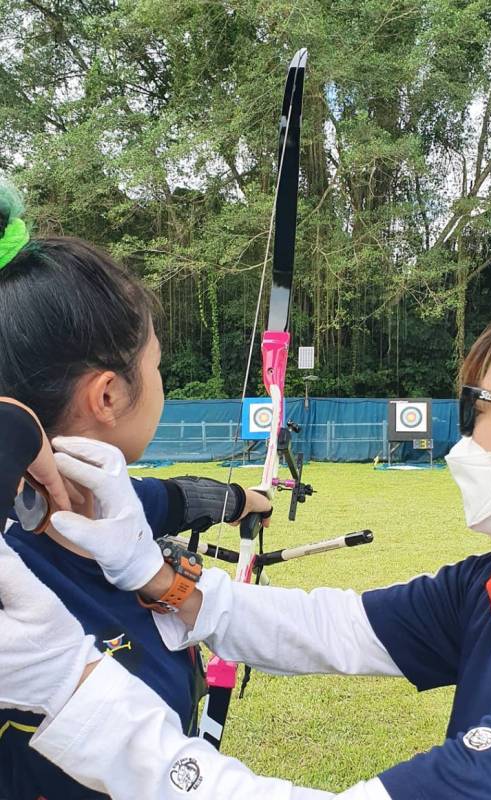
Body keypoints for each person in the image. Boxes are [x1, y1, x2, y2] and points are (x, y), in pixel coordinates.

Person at [3, 291, 491, 799]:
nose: (466, 429)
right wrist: (152, 572)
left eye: (475, 404)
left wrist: (70, 690)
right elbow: (331, 627)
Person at [0, 185, 271, 800]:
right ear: (108, 396)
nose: (159, 381)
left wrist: (246, 501)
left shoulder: (111, 506)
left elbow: (176, 499)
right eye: (155, 365)